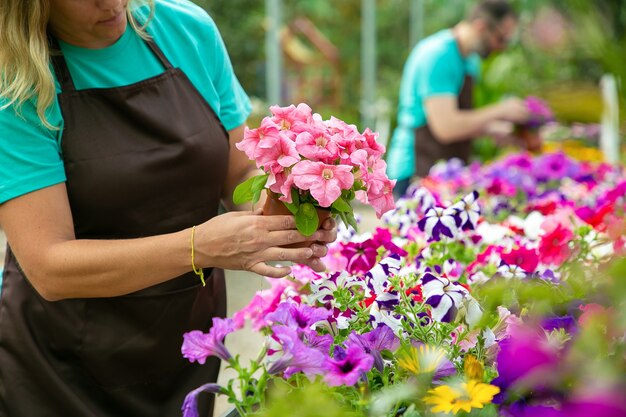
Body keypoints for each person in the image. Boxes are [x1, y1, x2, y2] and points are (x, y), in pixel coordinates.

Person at [0, 1, 336, 416]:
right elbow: (49, 266)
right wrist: (201, 246)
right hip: (62, 368)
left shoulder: (185, 30)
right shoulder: (15, 79)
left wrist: (288, 205)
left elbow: (238, 171)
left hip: (185, 347)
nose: (112, 3)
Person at [386, 0, 532, 198]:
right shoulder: (438, 55)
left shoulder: (470, 60)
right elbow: (446, 127)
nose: (502, 47)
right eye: (501, 38)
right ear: (481, 27)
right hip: (414, 172)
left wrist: (491, 128)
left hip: (442, 171)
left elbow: (460, 119)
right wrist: (501, 110)